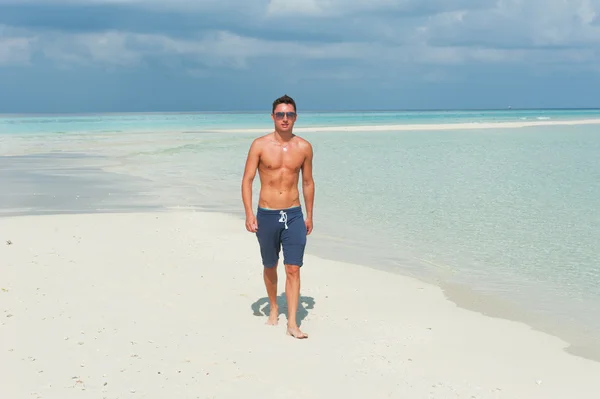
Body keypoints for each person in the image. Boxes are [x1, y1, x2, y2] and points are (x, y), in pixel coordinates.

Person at [241, 94, 315, 339]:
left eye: (290, 114)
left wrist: (309, 215)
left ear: (295, 117)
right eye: (281, 114)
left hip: (293, 214)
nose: (285, 119)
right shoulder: (259, 145)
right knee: (270, 265)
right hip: (267, 215)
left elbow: (307, 182)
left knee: (293, 268)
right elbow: (248, 180)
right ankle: (274, 306)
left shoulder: (304, 147)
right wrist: (249, 213)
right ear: (273, 117)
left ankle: (292, 323)